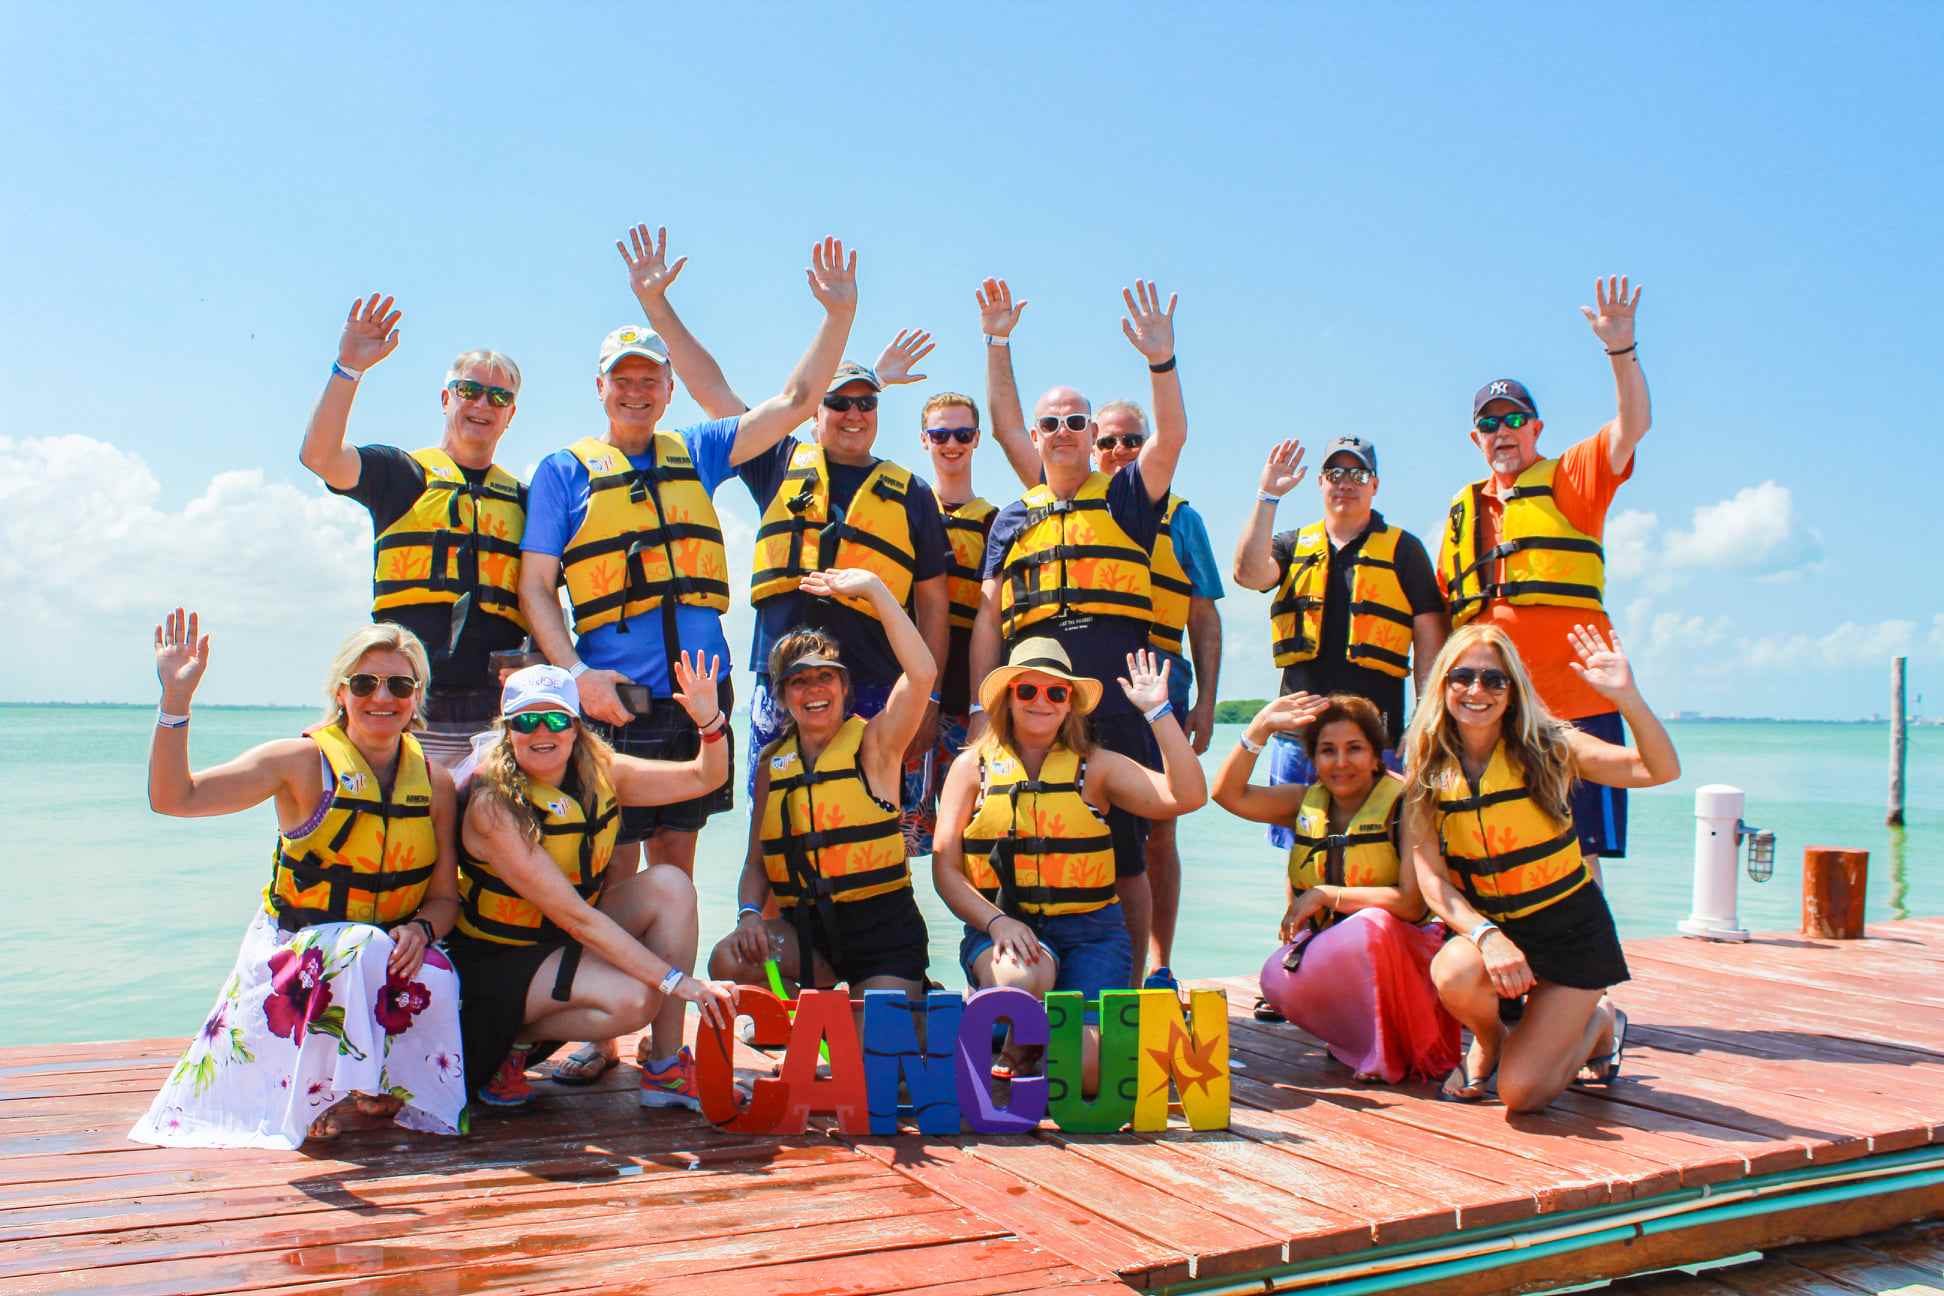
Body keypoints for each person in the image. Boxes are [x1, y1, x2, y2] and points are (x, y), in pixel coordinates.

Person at [518, 229, 857, 1082]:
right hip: (613, 707)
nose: (637, 391)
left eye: (650, 379)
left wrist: (839, 313)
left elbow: (796, 397)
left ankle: (666, 1051)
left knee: (677, 873)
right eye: (622, 380)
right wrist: (575, 677)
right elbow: (536, 590)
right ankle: (604, 1039)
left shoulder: (699, 452)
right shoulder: (565, 473)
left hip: (696, 707)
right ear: (600, 389)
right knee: (609, 869)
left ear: (669, 390)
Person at [131, 613, 465, 1149]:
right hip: (295, 950)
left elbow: (445, 898)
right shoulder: (298, 762)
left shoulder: (435, 782)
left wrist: (422, 930)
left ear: (417, 696)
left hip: (378, 952)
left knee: (439, 971)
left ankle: (384, 1086)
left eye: (400, 685)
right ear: (341, 691)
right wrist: (176, 700)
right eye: (365, 683)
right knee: (359, 945)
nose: (383, 697)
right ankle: (318, 1093)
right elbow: (176, 798)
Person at [970, 276, 1188, 983]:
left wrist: (1161, 361)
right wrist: (997, 342)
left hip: (1117, 697)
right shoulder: (1012, 517)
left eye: (1076, 422)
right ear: (1036, 438)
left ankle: (1125, 986)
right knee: (1033, 830)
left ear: (1092, 436)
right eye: (1052, 424)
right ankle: (1028, 968)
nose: (1064, 432)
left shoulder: (1127, 499)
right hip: (1035, 694)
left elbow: (1173, 435)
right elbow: (987, 622)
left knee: (1127, 847)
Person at [1402, 623, 1678, 1110]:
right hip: (1497, 930)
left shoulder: (1550, 747)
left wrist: (1627, 699)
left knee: (1521, 1095)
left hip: (1571, 933)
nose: (1476, 691)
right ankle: (1490, 1039)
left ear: (1513, 690)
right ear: (1442, 683)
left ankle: (1598, 1024)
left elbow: (1659, 770)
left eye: (1494, 680)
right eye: (1462, 677)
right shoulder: (1426, 763)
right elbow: (1431, 881)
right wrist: (1486, 936)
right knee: (1453, 972)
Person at [450, 661, 737, 1112]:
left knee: (670, 885)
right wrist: (680, 982)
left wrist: (709, 721)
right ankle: (511, 1042)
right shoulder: (493, 805)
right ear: (508, 730)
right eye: (526, 720)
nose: (541, 731)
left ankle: (665, 1071)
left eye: (557, 719)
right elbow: (577, 917)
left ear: (576, 726)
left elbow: (706, 777)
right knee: (636, 1000)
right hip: (497, 962)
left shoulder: (601, 772)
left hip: (558, 942)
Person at [1438, 276, 1649, 885]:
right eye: (1489, 423)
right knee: (1489, 845)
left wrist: (1620, 350)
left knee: (1578, 852)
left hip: (1577, 703)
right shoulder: (1462, 510)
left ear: (1536, 429)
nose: (1502, 431)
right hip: (1489, 708)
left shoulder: (1574, 480)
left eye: (1514, 419)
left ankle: (1590, 980)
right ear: (1475, 438)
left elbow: (1631, 425)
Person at [932, 640, 1207, 1086]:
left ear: (1070, 705)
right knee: (1024, 975)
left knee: (1085, 1075)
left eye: (1056, 693)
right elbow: (945, 868)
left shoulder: (1096, 767)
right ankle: (1008, 1011)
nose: (1041, 702)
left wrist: (1159, 713)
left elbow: (1188, 796)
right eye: (1028, 692)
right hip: (1004, 930)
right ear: (1008, 698)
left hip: (1091, 935)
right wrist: (997, 922)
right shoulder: (970, 769)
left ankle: (1026, 1031)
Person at [299, 295, 529, 768]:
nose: (483, 404)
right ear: (446, 399)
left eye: (499, 397)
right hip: (404, 706)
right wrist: (349, 368)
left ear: (510, 414)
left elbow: (544, 596)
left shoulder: (525, 501)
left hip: (494, 714)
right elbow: (320, 457)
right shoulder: (401, 475)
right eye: (470, 391)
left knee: (487, 834)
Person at [733, 352, 951, 806]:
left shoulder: (913, 494)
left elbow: (932, 604)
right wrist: (657, 302)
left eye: (866, 404)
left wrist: (929, 702)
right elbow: (712, 392)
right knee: (774, 820)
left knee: (869, 820)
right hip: (781, 683)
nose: (854, 414)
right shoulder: (775, 461)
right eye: (838, 402)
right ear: (815, 409)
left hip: (875, 683)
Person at [709, 569, 937, 999]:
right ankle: (808, 1009)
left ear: (843, 685)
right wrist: (749, 916)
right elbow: (756, 864)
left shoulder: (877, 745)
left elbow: (922, 673)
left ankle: (907, 994)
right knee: (728, 960)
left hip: (883, 934)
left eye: (825, 676)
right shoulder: (771, 765)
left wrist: (874, 588)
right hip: (809, 935)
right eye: (799, 680)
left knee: (874, 1050)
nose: (814, 689)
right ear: (782, 695)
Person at [1211, 692, 1458, 1084]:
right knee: (1275, 977)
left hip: (1408, 956)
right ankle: (1358, 1043)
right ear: (1313, 759)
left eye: (1354, 749)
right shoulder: (1303, 802)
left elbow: (1412, 906)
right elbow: (1228, 795)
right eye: (1328, 751)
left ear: (1377, 755)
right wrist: (1259, 729)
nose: (1341, 763)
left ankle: (1386, 1051)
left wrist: (1326, 894)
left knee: (1371, 925)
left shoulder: (1407, 803)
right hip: (1340, 954)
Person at [1232, 436, 1447, 861]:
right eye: (1335, 473)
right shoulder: (1292, 545)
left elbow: (1430, 642)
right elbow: (1248, 574)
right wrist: (1268, 495)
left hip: (1376, 737)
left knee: (1380, 849)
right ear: (1320, 482)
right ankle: (1305, 925)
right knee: (1302, 852)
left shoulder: (1404, 550)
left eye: (1357, 473)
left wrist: (1426, 720)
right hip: (1299, 736)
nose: (1345, 483)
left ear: (1375, 485)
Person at [1088, 400, 1224, 989]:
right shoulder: (1078, 509)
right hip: (1093, 676)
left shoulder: (1183, 520)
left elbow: (1204, 614)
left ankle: (1160, 964)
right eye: (1111, 442)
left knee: (1161, 823)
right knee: (1093, 817)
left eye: (1133, 441)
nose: (1121, 452)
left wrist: (1206, 702)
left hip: (1162, 675)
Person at [899, 385, 999, 857]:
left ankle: (984, 927)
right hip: (910, 693)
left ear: (977, 439)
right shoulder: (905, 511)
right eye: (940, 434)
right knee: (898, 831)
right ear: (924, 440)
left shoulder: (995, 522)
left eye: (962, 433)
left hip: (967, 700)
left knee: (970, 834)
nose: (952, 444)